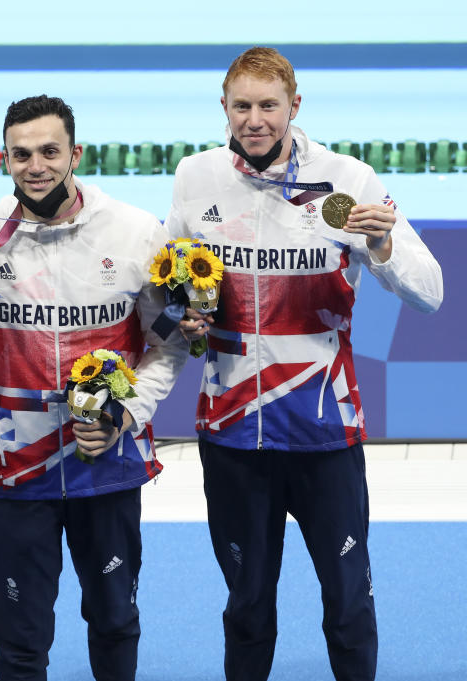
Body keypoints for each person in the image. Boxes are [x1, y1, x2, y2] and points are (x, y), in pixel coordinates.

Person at [166, 47, 444, 681]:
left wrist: (381, 246)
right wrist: (178, 314)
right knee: (247, 606)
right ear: (224, 108)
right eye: (243, 106)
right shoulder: (195, 177)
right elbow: (169, 282)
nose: (255, 119)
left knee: (348, 603)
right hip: (233, 433)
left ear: (295, 105)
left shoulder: (350, 179)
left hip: (324, 432)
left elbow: (430, 294)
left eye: (269, 105)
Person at [0, 95, 187, 681]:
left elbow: (168, 343)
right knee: (20, 639)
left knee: (115, 622)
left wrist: (127, 415)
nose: (35, 166)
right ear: (4, 159)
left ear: (75, 154)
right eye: (21, 154)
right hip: (19, 469)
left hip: (107, 461)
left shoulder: (136, 231)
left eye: (48, 151)